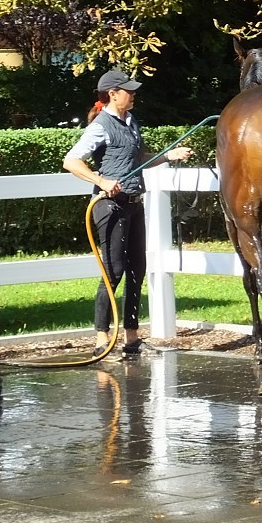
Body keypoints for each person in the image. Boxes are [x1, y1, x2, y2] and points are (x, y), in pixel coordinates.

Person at [62, 69, 193, 357]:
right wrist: (101, 181)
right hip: (109, 206)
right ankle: (101, 338)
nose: (133, 95)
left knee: (137, 270)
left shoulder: (132, 122)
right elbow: (71, 161)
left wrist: (169, 156)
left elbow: (139, 159)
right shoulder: (100, 125)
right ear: (112, 94)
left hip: (134, 203)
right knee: (113, 271)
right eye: (128, 91)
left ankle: (131, 338)